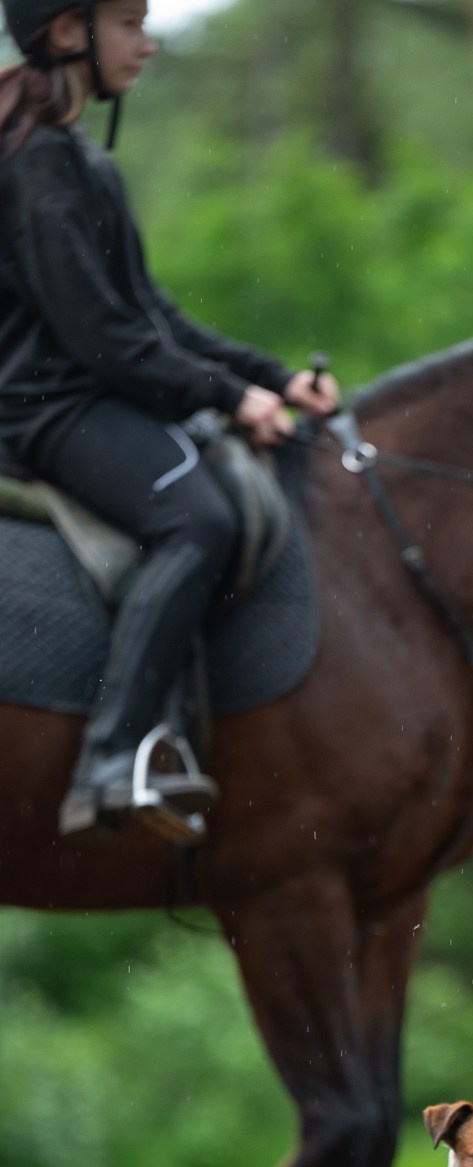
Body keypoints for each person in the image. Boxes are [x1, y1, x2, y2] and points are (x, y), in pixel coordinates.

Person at [0, 0, 341, 839]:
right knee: (199, 519)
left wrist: (273, 379)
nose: (146, 44)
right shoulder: (37, 163)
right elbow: (103, 338)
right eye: (129, 24)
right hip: (44, 410)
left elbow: (153, 315)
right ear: (70, 31)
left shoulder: (87, 163)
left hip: (89, 394)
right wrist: (227, 398)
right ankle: (112, 757)